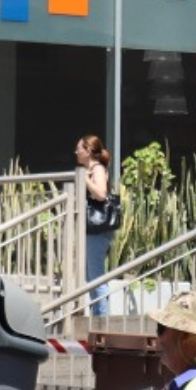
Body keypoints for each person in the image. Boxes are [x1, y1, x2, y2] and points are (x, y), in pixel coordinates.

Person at [76, 135, 115, 316]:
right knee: (91, 275)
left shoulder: (97, 168)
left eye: (79, 149)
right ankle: (98, 314)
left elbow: (101, 193)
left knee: (96, 275)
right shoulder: (89, 169)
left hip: (97, 229)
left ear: (88, 151)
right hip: (92, 228)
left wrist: (85, 179)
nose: (76, 152)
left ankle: (101, 318)